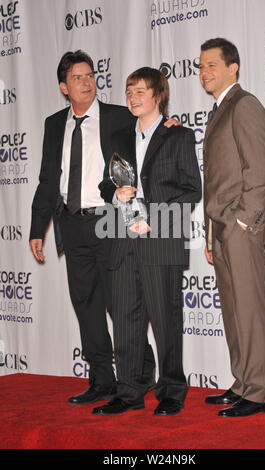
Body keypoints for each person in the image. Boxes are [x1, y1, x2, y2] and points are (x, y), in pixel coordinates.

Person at [29, 50, 162, 405]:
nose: (87, 82)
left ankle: (140, 374)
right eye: (77, 78)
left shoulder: (119, 117)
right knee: (85, 303)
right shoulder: (54, 124)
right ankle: (102, 379)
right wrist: (36, 228)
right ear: (63, 87)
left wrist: (171, 126)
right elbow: (47, 179)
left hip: (110, 220)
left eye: (90, 75)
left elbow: (151, 134)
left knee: (122, 305)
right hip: (71, 223)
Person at [93, 67, 202, 417]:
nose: (133, 97)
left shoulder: (178, 136)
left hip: (160, 239)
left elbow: (192, 190)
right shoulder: (119, 137)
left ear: (158, 96)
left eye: (141, 91)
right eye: (129, 91)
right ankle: (129, 391)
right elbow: (104, 184)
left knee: (165, 320)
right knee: (125, 320)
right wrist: (116, 193)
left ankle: (171, 391)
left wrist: (155, 217)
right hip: (123, 238)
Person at [199, 38, 265, 417]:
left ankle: (259, 392)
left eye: (212, 64)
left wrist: (244, 221)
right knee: (233, 312)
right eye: (200, 66)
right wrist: (212, 234)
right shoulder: (217, 112)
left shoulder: (244, 106)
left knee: (249, 310)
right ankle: (243, 382)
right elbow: (215, 181)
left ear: (234, 67)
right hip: (222, 228)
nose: (204, 72)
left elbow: (257, 173)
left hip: (242, 227)